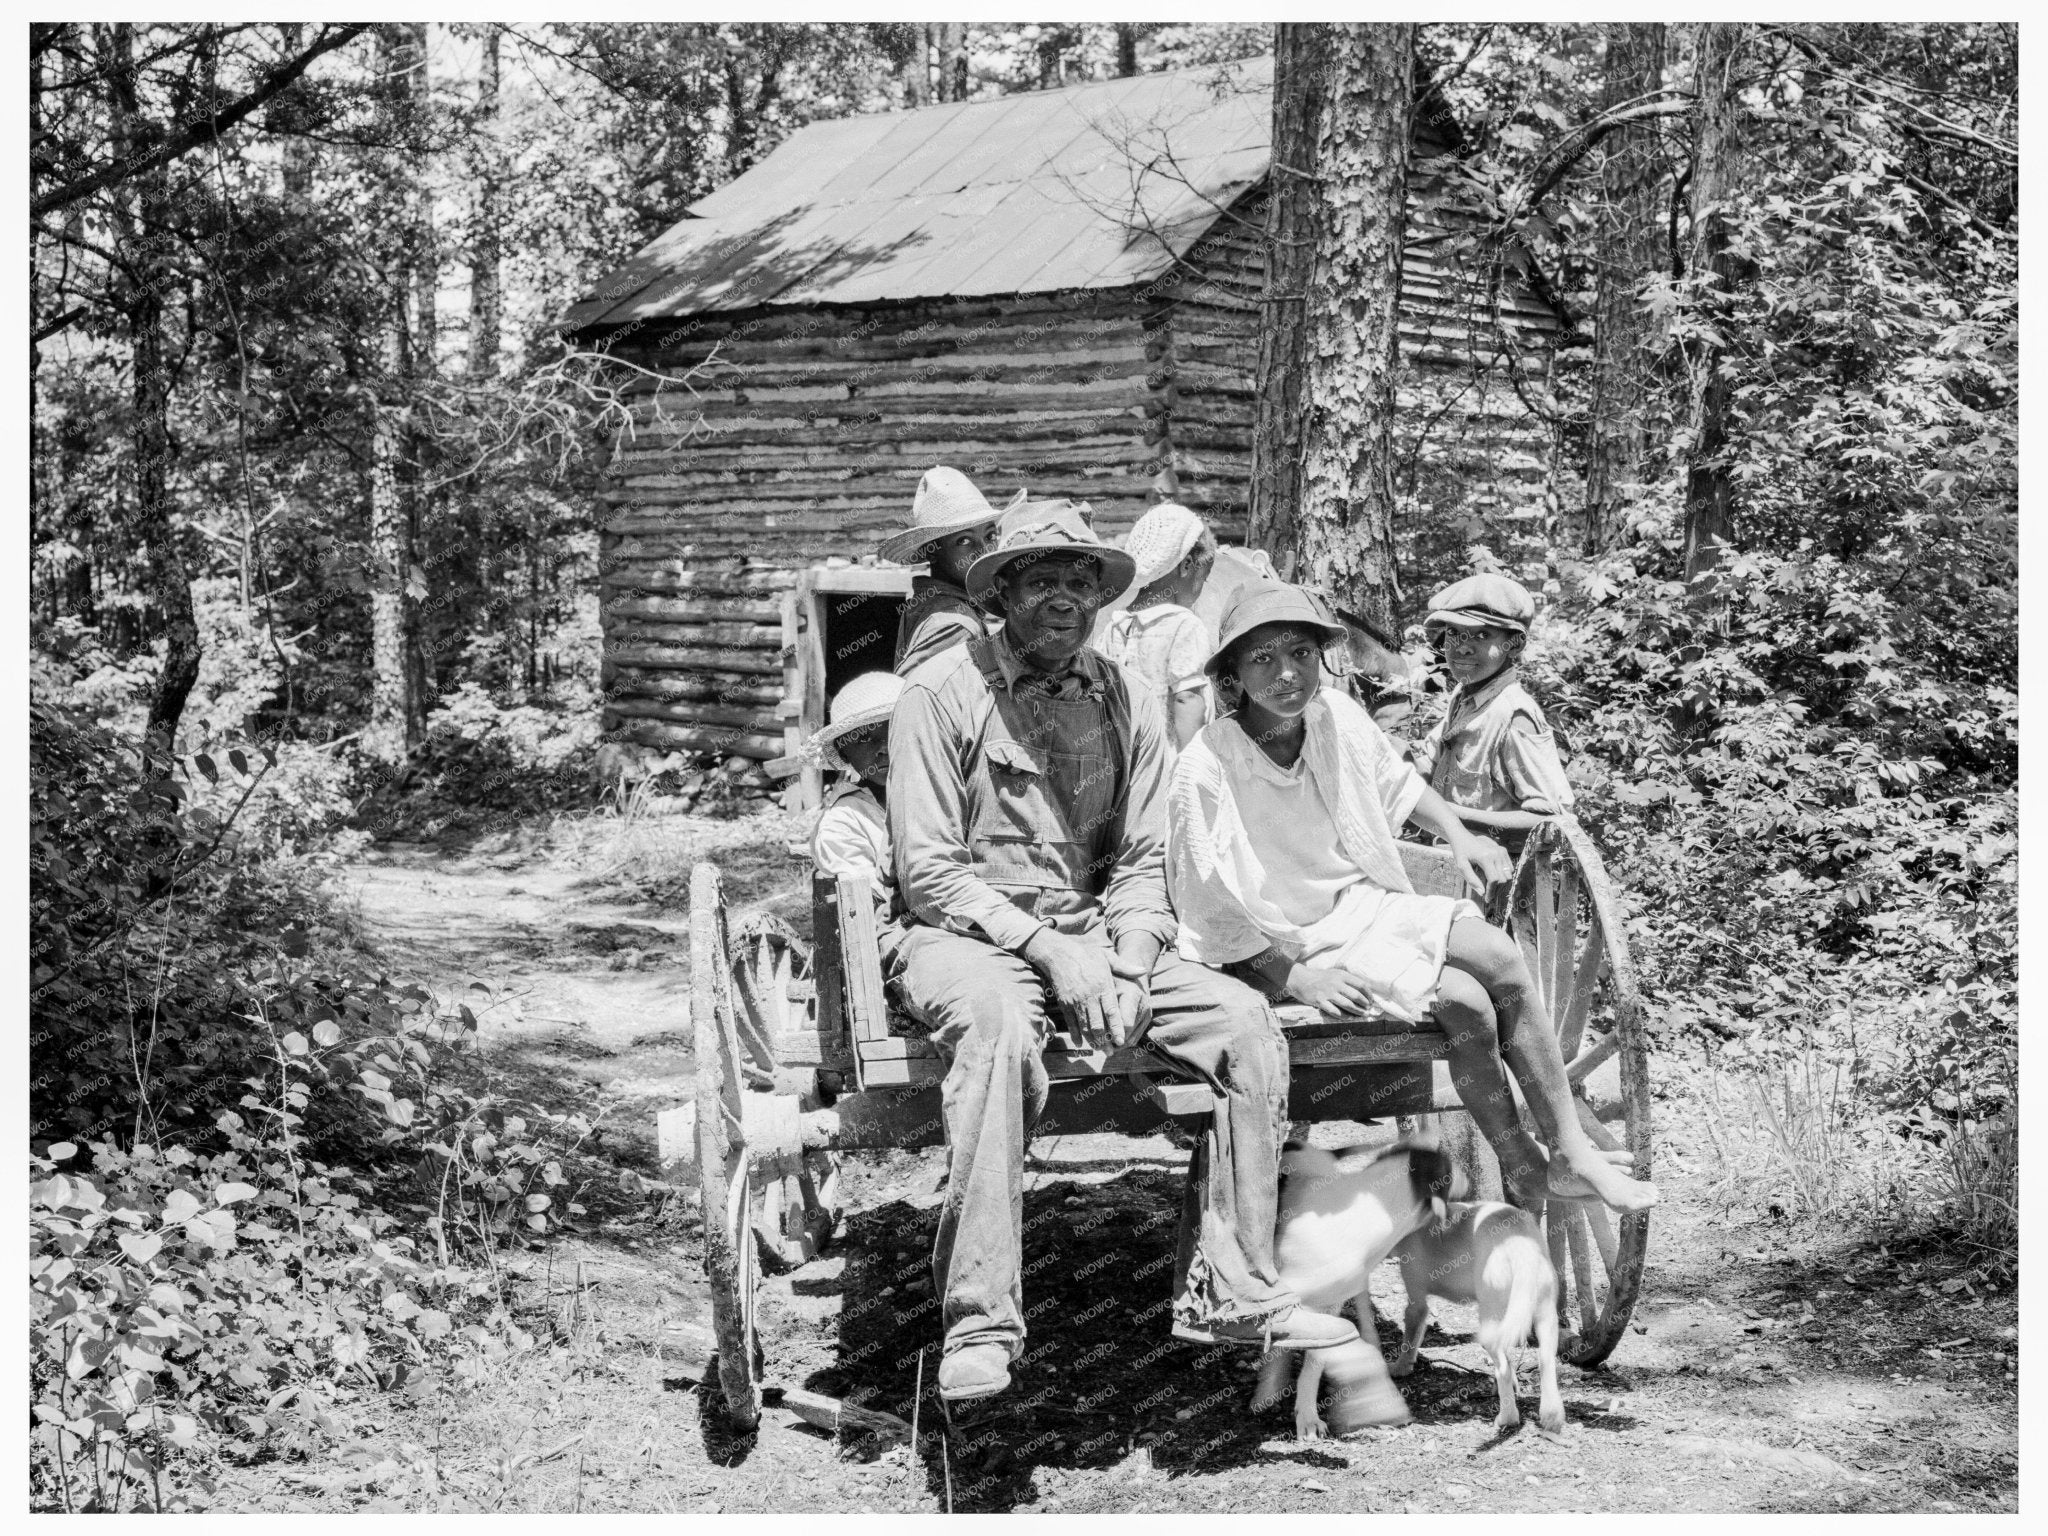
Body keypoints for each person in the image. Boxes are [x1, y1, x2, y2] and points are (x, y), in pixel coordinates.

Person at [886, 508, 1357, 1408]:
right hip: (965, 938)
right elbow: (929, 875)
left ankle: (1235, 1289)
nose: (1062, 598)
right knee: (996, 1033)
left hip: (1098, 937)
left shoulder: (1127, 696)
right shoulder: (940, 694)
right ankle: (981, 1324)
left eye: (1079, 581)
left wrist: (1134, 962)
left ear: (1101, 596)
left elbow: (1145, 860)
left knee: (1245, 1022)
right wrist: (1053, 955)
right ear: (1003, 593)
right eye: (1039, 581)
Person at [1163, 581, 1657, 1217]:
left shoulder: (1335, 718)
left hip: (1361, 906)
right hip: (1281, 937)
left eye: (1301, 654)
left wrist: (1460, 839)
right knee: (1465, 1002)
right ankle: (1521, 1163)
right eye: (1262, 659)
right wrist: (1297, 977)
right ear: (1231, 675)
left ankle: (1565, 1152)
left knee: (1498, 958)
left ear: (1323, 658)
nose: (1287, 674)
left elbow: (1395, 785)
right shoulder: (1205, 765)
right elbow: (1206, 906)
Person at [1407, 573, 1574, 858]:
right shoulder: (1465, 696)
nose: (1461, 646)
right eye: (1452, 632)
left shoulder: (1513, 715)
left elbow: (1550, 821)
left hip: (1500, 885)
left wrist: (1445, 814)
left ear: (1516, 644)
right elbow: (1429, 760)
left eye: (1482, 635)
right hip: (1455, 866)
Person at [1098, 503, 1218, 753]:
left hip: (1126, 765)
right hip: (1170, 767)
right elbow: (1188, 699)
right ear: (1186, 566)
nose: (1200, 591)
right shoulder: (1184, 625)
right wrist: (1193, 766)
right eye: (1202, 579)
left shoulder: (1114, 627)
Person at [881, 466, 1002, 675]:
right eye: (964, 540)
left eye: (990, 536)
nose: (984, 551)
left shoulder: (932, 606)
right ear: (932, 551)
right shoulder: (955, 626)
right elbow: (908, 698)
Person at [806, 671, 903, 889]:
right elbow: (871, 904)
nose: (883, 748)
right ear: (843, 751)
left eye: (894, 731)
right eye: (864, 738)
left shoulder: (942, 790)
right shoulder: (843, 823)